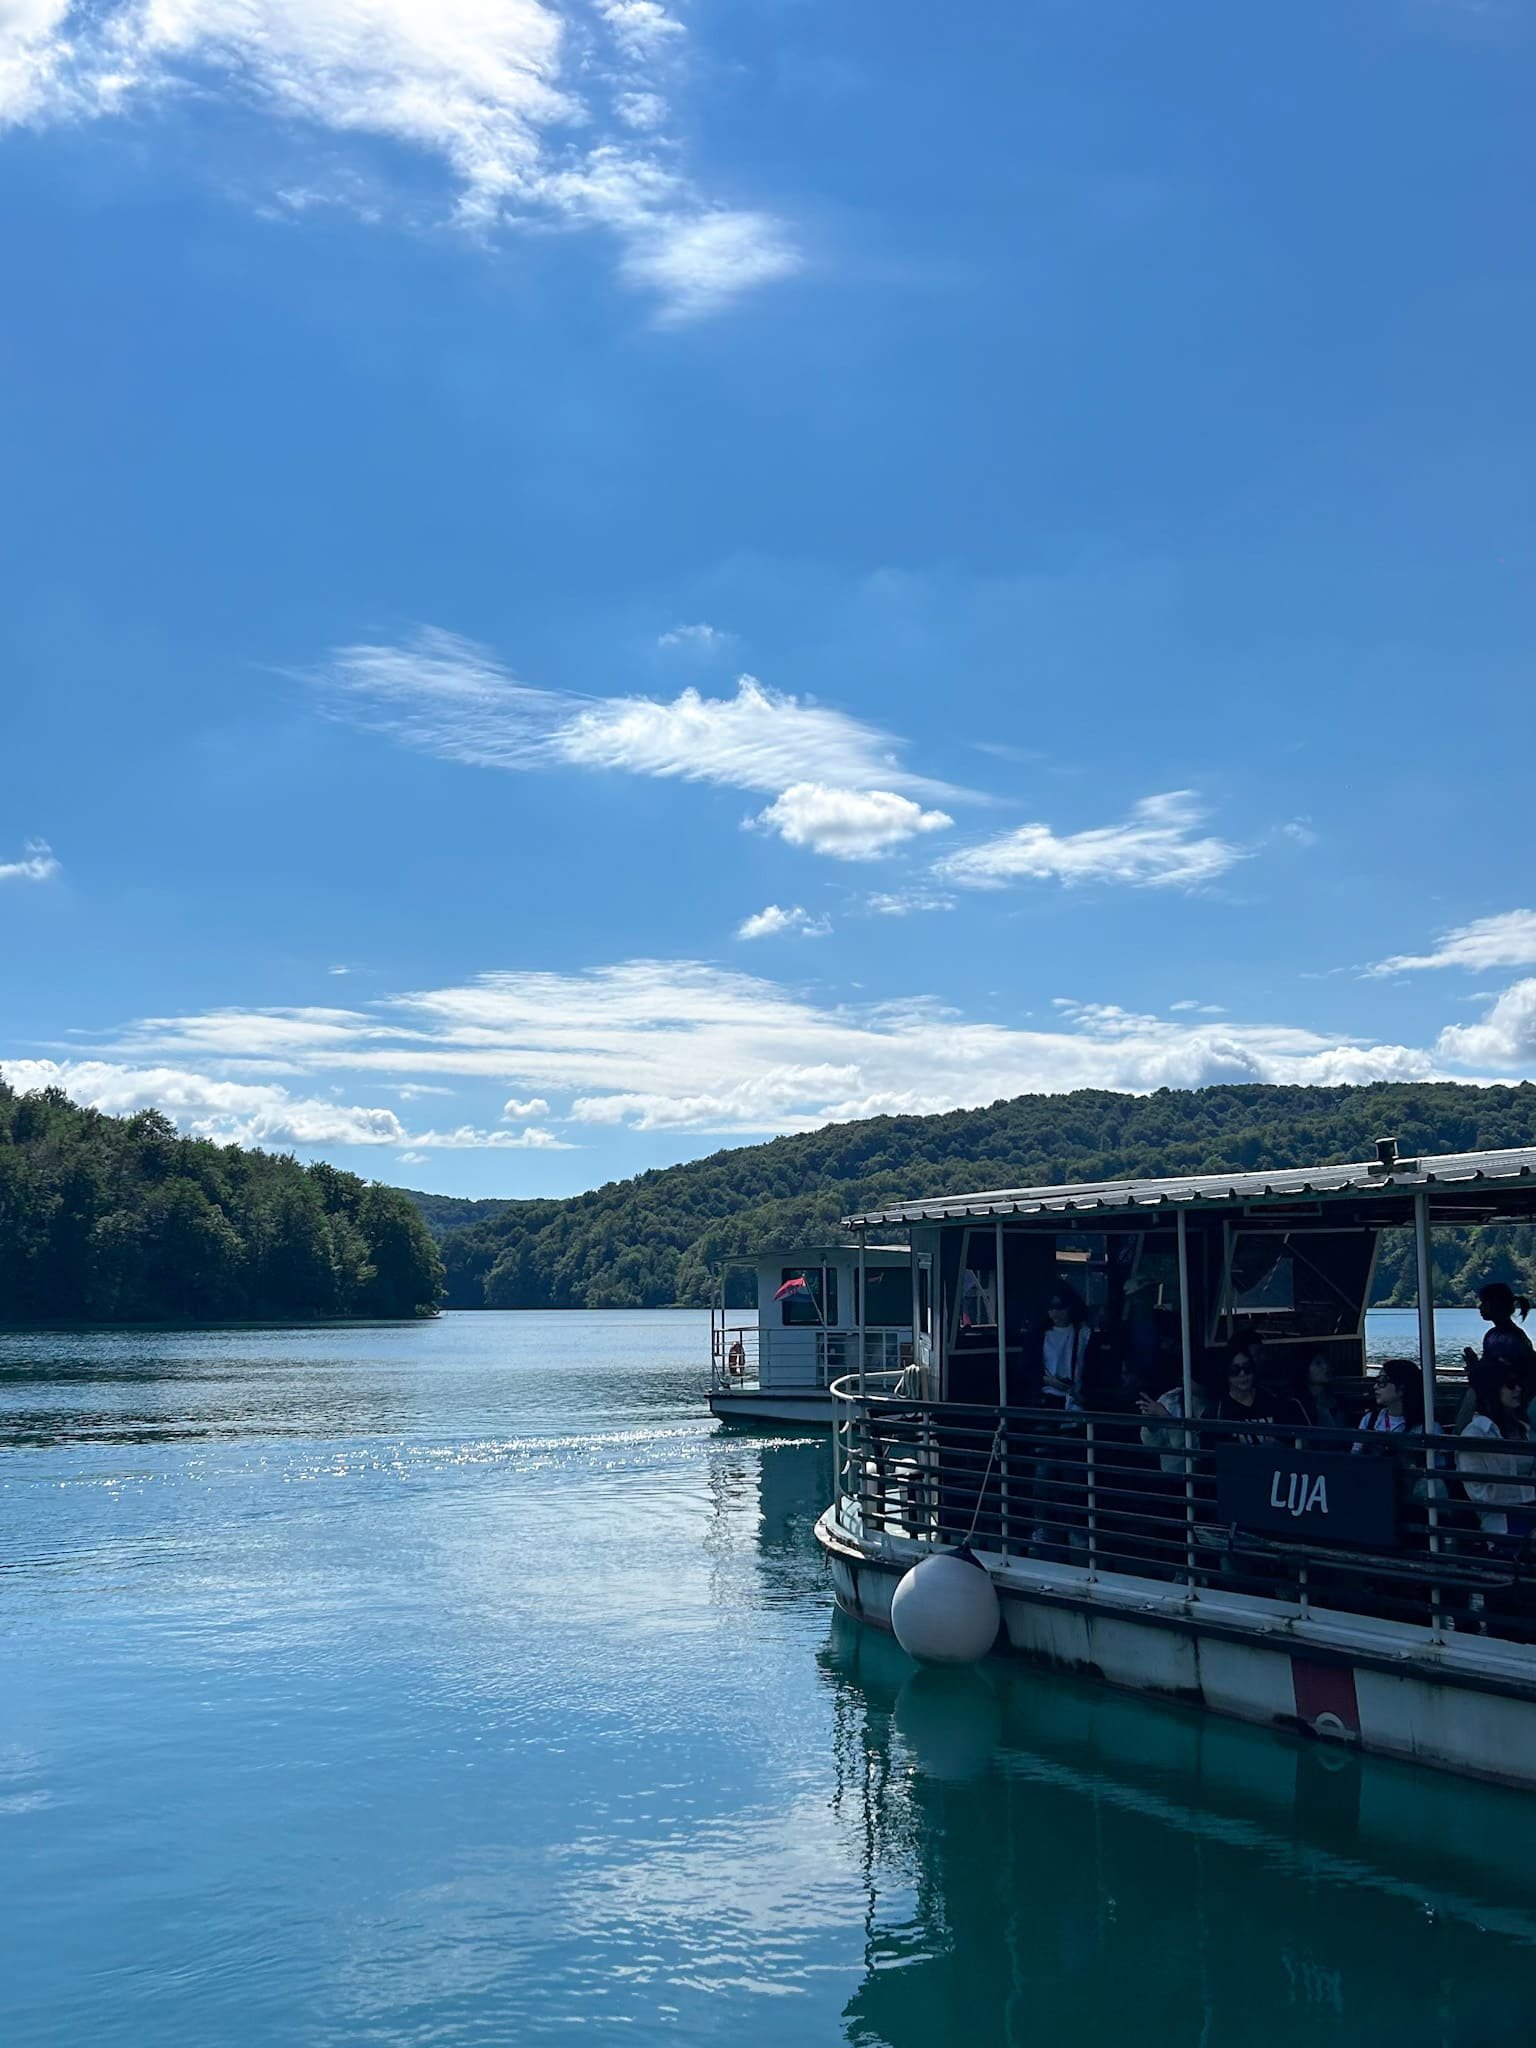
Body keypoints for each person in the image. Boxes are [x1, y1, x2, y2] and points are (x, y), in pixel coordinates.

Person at [1458, 1369, 1536, 1544]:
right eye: (1510, 1385)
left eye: (1519, 1384)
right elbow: (1480, 1492)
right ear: (1493, 1389)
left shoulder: (1524, 1428)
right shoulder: (1475, 1434)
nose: (1518, 1389)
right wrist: (1529, 1491)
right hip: (1501, 1520)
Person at [1210, 1347, 1307, 1442]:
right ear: (1225, 1373)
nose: (1242, 1374)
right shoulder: (1217, 1412)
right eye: (1235, 1370)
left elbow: (1297, 1442)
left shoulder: (1273, 1401)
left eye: (1247, 1367)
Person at [1296, 1351, 1342, 1431]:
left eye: (1326, 1362)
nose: (1325, 1366)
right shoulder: (1297, 1403)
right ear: (1304, 1368)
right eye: (1318, 1363)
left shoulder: (1335, 1399)